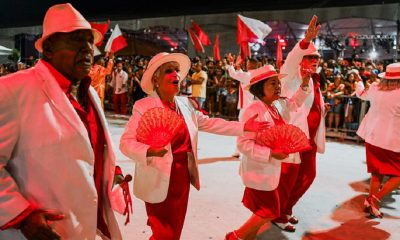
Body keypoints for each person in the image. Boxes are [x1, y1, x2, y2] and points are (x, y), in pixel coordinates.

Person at [0, 3, 123, 239]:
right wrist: (22, 216)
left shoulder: (91, 94)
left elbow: (85, 152)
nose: (87, 49)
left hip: (90, 226)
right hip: (41, 232)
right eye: (76, 41)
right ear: (48, 48)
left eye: (89, 41)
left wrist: (109, 171)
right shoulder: (12, 90)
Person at [119, 52, 267, 240]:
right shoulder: (144, 106)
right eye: (168, 71)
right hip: (157, 174)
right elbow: (126, 143)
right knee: (164, 232)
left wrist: (245, 127)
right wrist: (148, 151)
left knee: (174, 229)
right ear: (156, 80)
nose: (176, 75)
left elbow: (211, 123)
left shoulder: (185, 104)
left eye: (177, 71)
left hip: (181, 178)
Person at [225, 64, 311, 240]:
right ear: (260, 87)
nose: (278, 86)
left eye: (278, 82)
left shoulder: (275, 107)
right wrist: (270, 154)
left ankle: (246, 237)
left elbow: (294, 103)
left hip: (270, 170)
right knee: (269, 211)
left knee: (263, 211)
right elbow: (243, 144)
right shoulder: (253, 109)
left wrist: (305, 84)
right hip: (258, 171)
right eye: (272, 83)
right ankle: (235, 236)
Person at [272, 15, 328, 231]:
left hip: (310, 139)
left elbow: (311, 103)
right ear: (301, 60)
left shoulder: (315, 79)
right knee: (288, 178)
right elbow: (292, 58)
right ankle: (279, 213)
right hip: (293, 139)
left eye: (317, 59)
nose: (314, 61)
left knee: (307, 176)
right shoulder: (289, 75)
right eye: (310, 58)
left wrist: (322, 108)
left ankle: (286, 208)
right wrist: (305, 42)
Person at [355, 62, 400, 218]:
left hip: (373, 138)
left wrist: (359, 82)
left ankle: (370, 203)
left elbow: (360, 94)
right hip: (391, 141)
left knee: (377, 173)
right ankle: (375, 199)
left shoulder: (374, 88)